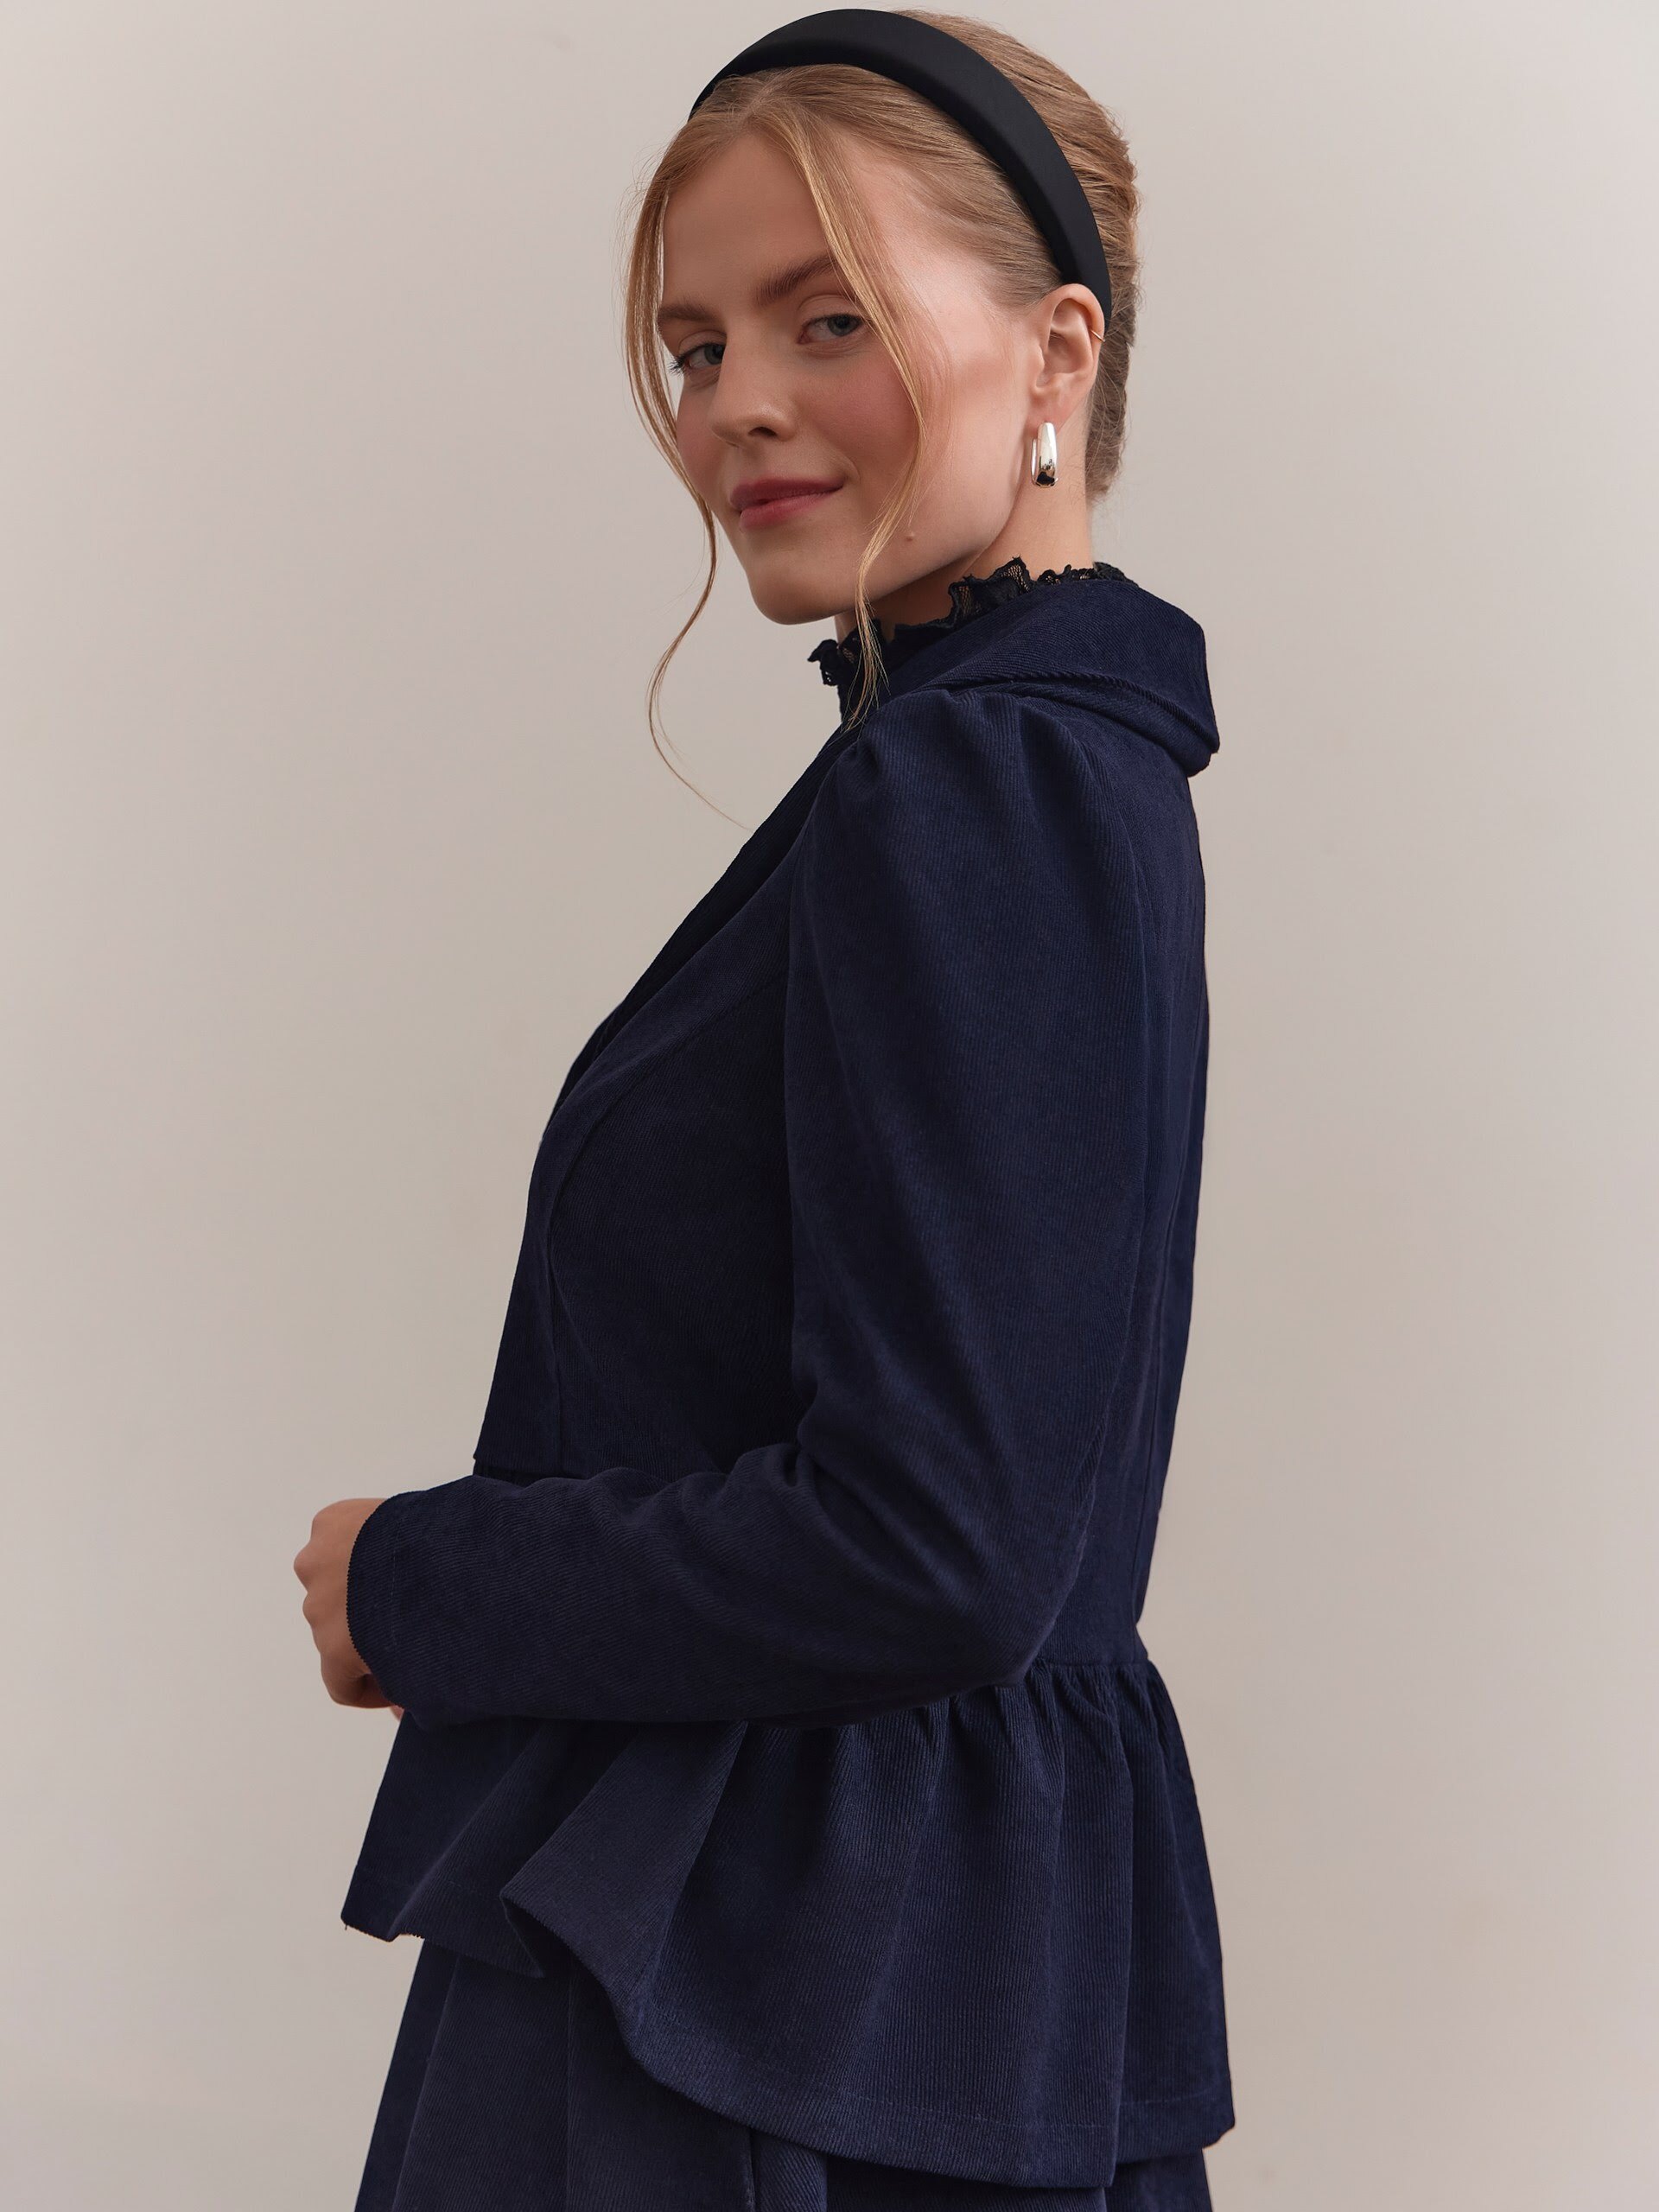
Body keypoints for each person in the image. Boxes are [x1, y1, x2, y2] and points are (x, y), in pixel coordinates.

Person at [292, 12, 1234, 2208]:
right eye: (695, 346)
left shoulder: (970, 781)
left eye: (829, 319)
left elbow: (937, 1545)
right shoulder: (1063, 763)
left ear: (1056, 349)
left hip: (760, 1997)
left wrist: (421, 1579)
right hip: (889, 1974)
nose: (737, 406)